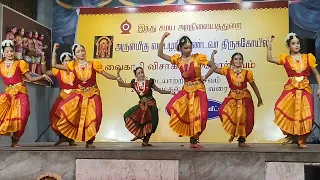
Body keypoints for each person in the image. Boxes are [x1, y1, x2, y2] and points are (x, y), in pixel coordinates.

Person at [52, 44, 123, 148]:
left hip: (94, 93)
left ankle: (90, 140)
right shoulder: (72, 65)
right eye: (78, 52)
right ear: (75, 54)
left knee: (97, 116)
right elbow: (54, 65)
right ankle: (70, 137)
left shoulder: (94, 64)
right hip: (80, 94)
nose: (81, 53)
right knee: (72, 114)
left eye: (82, 50)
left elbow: (105, 74)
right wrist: (54, 50)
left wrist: (116, 78)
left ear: (85, 51)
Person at [157, 32, 216, 148]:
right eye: (185, 48)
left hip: (199, 89)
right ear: (180, 48)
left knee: (203, 116)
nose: (188, 50)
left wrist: (205, 77)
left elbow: (213, 66)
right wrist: (163, 38)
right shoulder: (177, 60)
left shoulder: (198, 57)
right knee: (170, 108)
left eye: (190, 47)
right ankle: (186, 130)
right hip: (186, 89)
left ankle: (194, 140)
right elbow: (160, 54)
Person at [267, 33, 320, 148]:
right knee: (280, 108)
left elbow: (316, 73)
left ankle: (301, 141)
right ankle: (291, 135)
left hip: (305, 88)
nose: (296, 45)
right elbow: (270, 59)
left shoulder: (307, 57)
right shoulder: (285, 59)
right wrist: (269, 47)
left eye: (298, 43)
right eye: (293, 43)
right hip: (291, 88)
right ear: (288, 46)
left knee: (306, 113)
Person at [0, 40, 52, 147]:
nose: (10, 53)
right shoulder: (1, 65)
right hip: (8, 94)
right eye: (7, 51)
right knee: (3, 115)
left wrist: (42, 76)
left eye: (11, 51)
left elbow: (31, 79)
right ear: (3, 53)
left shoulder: (20, 63)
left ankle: (15, 139)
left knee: (23, 115)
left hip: (21, 92)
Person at [212, 52, 263, 147]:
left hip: (245, 97)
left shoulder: (247, 73)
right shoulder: (227, 71)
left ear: (242, 61)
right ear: (232, 61)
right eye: (236, 59)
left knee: (245, 118)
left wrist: (259, 98)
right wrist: (212, 57)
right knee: (222, 111)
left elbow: (254, 86)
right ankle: (233, 133)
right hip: (233, 96)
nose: (238, 61)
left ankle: (241, 140)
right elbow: (214, 68)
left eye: (240, 59)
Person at [117, 65, 174, 146]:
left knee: (152, 123)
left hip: (151, 105)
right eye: (139, 73)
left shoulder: (149, 82)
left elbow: (160, 91)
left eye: (142, 72)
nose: (141, 74)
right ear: (136, 75)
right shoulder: (134, 84)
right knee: (128, 115)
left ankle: (145, 141)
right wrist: (118, 74)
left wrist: (169, 92)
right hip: (142, 106)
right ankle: (139, 134)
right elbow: (121, 84)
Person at [41, 43, 76, 146]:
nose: (68, 62)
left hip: (74, 98)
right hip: (62, 97)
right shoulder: (59, 71)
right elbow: (45, 72)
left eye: (70, 60)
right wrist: (43, 59)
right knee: (55, 116)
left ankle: (70, 137)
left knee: (72, 117)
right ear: (62, 62)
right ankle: (62, 136)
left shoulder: (76, 71)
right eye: (66, 60)